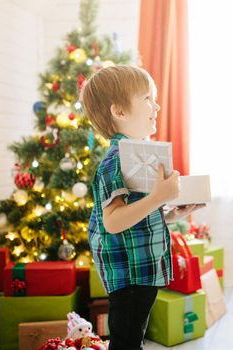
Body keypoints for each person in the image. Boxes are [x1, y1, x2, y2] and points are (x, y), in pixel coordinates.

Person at [82, 65, 201, 349]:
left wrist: (169, 215)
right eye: (147, 98)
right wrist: (158, 198)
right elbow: (113, 222)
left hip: (138, 271)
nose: (156, 106)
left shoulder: (135, 156)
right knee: (127, 341)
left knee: (132, 336)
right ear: (119, 112)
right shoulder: (117, 160)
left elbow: (134, 217)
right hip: (129, 273)